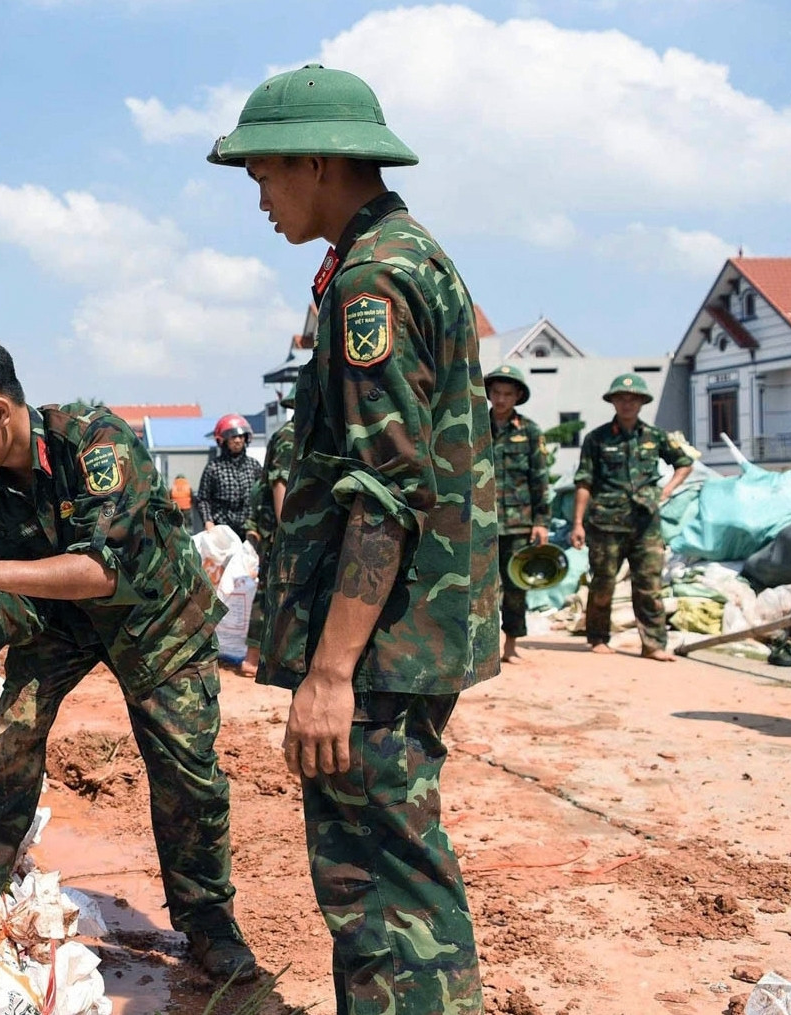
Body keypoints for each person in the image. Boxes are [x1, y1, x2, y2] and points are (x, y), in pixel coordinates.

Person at [209, 64, 499, 1013]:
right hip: (406, 635)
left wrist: (330, 673)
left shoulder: (373, 280)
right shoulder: (398, 257)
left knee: (381, 896)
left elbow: (384, 491)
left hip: (377, 651)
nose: (258, 197)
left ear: (320, 160)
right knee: (395, 887)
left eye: (264, 174)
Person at [0, 336, 256, 984]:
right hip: (60, 618)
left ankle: (209, 927)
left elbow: (98, 570)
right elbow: (12, 612)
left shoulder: (95, 440)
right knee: (10, 731)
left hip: (153, 617)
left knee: (184, 770)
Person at [569, 373, 693, 662]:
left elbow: (684, 463)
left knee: (649, 585)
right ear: (613, 402)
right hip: (606, 524)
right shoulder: (596, 439)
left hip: (645, 524)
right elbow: (584, 481)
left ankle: (653, 644)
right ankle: (598, 638)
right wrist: (577, 523)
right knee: (603, 584)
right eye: (621, 399)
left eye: (633, 399)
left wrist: (667, 490)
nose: (627, 404)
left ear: (641, 403)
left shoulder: (655, 437)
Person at [485, 364, 551, 663]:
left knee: (515, 587)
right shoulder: (474, 426)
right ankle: (481, 650)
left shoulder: (530, 432)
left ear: (517, 396)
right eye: (496, 393)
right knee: (480, 588)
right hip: (479, 521)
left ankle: (510, 645)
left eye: (507, 394)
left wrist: (541, 522)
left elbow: (540, 480)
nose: (500, 399)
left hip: (517, 523)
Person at [240, 403, 297, 678]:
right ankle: (252, 658)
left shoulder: (306, 432)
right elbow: (280, 484)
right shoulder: (290, 434)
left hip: (288, 530)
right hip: (281, 532)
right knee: (268, 593)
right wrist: (288, 531)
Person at [196, 414, 261, 538]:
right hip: (222, 531)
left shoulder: (254, 466)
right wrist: (208, 522)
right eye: (233, 436)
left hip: (249, 530)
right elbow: (203, 499)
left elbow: (262, 496)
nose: (237, 440)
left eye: (241, 436)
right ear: (223, 440)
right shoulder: (213, 468)